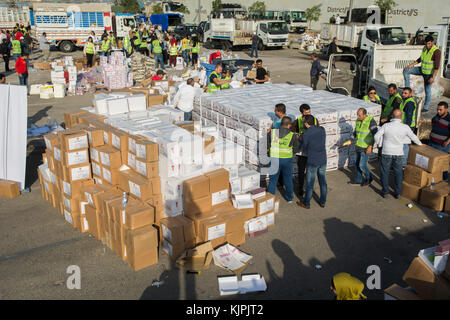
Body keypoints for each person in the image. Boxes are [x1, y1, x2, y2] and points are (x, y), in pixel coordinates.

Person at [375, 109, 422, 198]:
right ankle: (397, 193)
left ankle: (385, 191)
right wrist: (420, 144)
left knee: (385, 172)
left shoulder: (386, 126)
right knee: (398, 173)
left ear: (392, 116)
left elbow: (376, 136)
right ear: (401, 117)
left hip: (386, 152)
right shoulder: (405, 127)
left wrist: (379, 144)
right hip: (399, 153)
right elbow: (413, 137)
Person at [296, 115, 327, 209]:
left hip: (313, 160)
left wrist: (299, 138)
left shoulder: (306, 134)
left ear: (306, 123)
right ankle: (322, 201)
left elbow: (304, 148)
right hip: (323, 159)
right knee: (323, 181)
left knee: (310, 183)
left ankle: (306, 203)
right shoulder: (322, 129)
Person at [403, 35, 441, 113]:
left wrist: (433, 77)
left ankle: (426, 107)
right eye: (426, 44)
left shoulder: (436, 51)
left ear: (432, 43)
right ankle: (407, 91)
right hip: (421, 70)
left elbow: (437, 67)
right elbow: (420, 59)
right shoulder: (424, 48)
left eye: (429, 44)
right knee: (406, 70)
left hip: (429, 74)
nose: (428, 45)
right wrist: (411, 65)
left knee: (428, 90)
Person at [267, 116, 298, 203]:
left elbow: (267, 145)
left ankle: (269, 199)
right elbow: (296, 149)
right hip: (286, 160)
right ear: (289, 125)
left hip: (274, 159)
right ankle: (289, 198)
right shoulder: (292, 135)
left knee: (273, 180)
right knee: (288, 179)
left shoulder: (272, 133)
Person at [292, 104, 318, 198]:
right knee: (301, 171)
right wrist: (297, 136)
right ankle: (300, 190)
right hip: (301, 151)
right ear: (301, 113)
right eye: (306, 112)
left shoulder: (314, 120)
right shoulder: (298, 121)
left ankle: (309, 189)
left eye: (309, 112)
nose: (308, 114)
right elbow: (292, 132)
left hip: (311, 151)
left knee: (310, 172)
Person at [349, 108, 378, 186]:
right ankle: (358, 179)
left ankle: (369, 178)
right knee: (357, 164)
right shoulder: (358, 121)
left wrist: (370, 147)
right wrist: (351, 140)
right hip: (358, 146)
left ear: (364, 115)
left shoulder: (371, 121)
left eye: (359, 115)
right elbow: (355, 132)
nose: (358, 117)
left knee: (362, 165)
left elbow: (376, 135)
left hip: (365, 148)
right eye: (357, 114)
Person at [429, 101, 450, 180]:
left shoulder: (449, 119)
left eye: (440, 110)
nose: (438, 111)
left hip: (441, 145)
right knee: (432, 163)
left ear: (446, 109)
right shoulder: (437, 116)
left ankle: (444, 179)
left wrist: (447, 141)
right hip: (432, 142)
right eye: (437, 109)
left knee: (441, 163)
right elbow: (433, 121)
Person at [399, 87, 417, 166]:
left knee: (405, 145)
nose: (403, 94)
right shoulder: (405, 101)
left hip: (407, 127)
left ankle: (403, 164)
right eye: (403, 93)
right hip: (403, 126)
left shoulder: (409, 103)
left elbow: (409, 117)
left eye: (405, 93)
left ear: (410, 94)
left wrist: (406, 129)